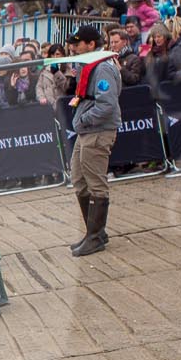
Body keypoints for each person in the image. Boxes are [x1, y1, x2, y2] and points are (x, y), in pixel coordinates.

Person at [67, 24, 119, 257]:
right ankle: (93, 231)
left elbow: (107, 105)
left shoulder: (102, 68)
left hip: (97, 131)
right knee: (78, 178)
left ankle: (96, 237)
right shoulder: (88, 66)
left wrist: (84, 119)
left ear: (90, 45)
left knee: (96, 183)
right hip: (87, 131)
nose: (73, 48)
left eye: (77, 44)